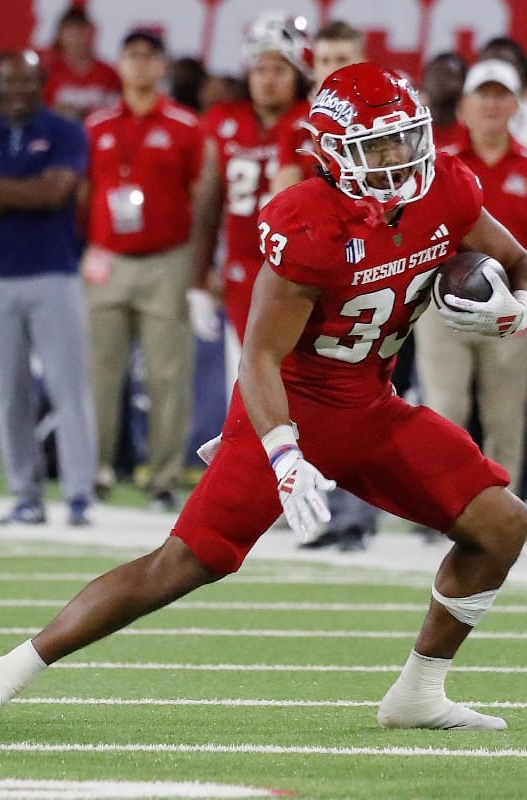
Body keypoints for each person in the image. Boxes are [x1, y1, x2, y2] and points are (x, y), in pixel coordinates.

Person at [0, 63, 527, 734]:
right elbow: (261, 354)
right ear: (332, 153)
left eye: (404, 139)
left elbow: (518, 261)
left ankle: (418, 694)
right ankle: (11, 667)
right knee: (184, 564)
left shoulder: (448, 190)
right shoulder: (309, 221)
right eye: (377, 147)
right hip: (290, 404)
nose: (398, 159)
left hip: (373, 406)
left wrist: (519, 307)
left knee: (501, 525)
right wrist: (284, 454)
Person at [0, 51, 96, 524]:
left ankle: (78, 495)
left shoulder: (66, 131)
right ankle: (25, 495)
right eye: (8, 81)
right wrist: (23, 191)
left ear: (42, 83)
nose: (16, 90)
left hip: (55, 274)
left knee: (69, 387)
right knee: (8, 391)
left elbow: (56, 193)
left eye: (26, 81)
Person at [417, 59, 527, 495]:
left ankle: (503, 506)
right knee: (445, 408)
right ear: (464, 104)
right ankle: (441, 502)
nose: (492, 104)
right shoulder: (438, 165)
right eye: (484, 94)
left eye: (502, 94)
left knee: (505, 413)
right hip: (443, 304)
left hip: (509, 306)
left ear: (517, 104)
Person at [82, 30, 205, 510]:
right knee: (99, 373)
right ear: (118, 63)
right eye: (129, 55)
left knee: (168, 375)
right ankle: (94, 473)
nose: (138, 64)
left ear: (161, 66)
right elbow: (83, 196)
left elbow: (202, 199)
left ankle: (163, 479)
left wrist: (198, 271)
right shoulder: (95, 126)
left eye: (147, 56)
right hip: (107, 257)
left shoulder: (185, 126)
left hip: (167, 261)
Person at [192, 12, 312, 405]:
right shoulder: (224, 120)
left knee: (299, 378)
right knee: (246, 378)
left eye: (279, 67)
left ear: (297, 71)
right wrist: (198, 277)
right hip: (243, 267)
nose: (268, 77)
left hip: (300, 270)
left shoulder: (311, 121)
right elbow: (209, 203)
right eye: (260, 67)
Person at [271, 20, 363, 192]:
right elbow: (286, 195)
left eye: (342, 59)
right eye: (324, 60)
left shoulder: (380, 117)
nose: (333, 68)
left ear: (361, 61)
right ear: (313, 67)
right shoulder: (295, 124)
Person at [41, 6, 122, 121]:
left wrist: (86, 112)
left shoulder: (110, 74)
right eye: (71, 33)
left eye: (81, 31)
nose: (76, 39)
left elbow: (118, 112)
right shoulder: (49, 73)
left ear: (91, 33)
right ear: (60, 36)